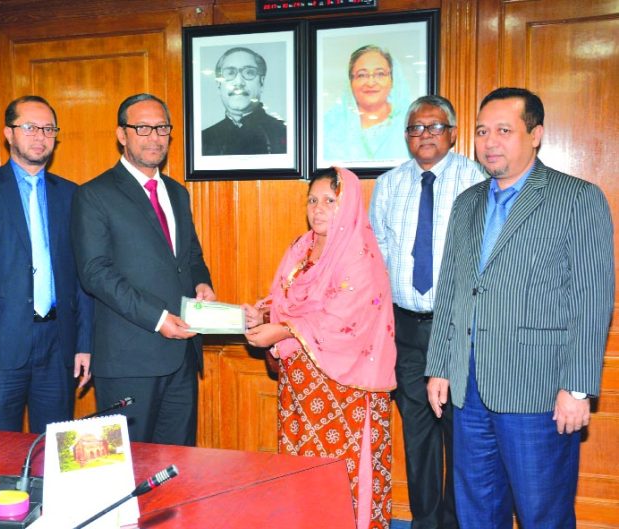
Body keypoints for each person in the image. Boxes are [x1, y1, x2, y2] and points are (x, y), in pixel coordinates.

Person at [425, 87, 613, 528]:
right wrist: (439, 365)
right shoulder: (467, 203)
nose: (490, 142)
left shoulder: (576, 199)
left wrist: (579, 387)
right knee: (477, 511)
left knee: (542, 513)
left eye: (504, 130)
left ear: (536, 134)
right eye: (482, 131)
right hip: (468, 391)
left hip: (538, 391)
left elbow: (591, 301)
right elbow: (451, 289)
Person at [244, 168, 396, 529]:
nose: (319, 208)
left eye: (330, 200)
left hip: (346, 387)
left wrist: (280, 330)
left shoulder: (360, 254)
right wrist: (261, 313)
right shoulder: (301, 247)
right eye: (313, 200)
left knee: (339, 469)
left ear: (350, 204)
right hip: (299, 382)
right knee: (300, 464)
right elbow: (284, 298)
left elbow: (341, 318)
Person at [72, 93, 214, 446]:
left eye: (162, 128)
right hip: (128, 361)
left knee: (178, 466)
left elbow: (190, 255)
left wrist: (202, 283)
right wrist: (158, 318)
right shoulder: (94, 194)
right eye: (143, 128)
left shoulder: (177, 193)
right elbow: (95, 272)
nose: (155, 137)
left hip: (182, 356)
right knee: (128, 470)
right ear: (122, 135)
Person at [369, 95, 485, 529]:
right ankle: (425, 521)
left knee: (461, 434)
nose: (425, 135)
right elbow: (377, 257)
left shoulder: (477, 181)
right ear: (406, 136)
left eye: (435, 127)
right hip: (406, 329)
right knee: (417, 435)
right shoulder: (388, 184)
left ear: (453, 133)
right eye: (416, 128)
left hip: (457, 327)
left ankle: (457, 522)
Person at [0, 96, 93, 433]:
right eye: (29, 127)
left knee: (55, 453)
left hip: (58, 346)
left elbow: (82, 277)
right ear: (8, 133)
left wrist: (84, 344)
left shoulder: (72, 195)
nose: (39, 135)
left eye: (48, 129)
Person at [322, 45, 410, 163]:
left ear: (392, 80)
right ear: (351, 82)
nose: (370, 82)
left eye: (380, 74)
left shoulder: (409, 123)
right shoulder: (330, 126)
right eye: (362, 75)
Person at [202, 47, 287, 156]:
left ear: (261, 82)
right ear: (219, 85)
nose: (239, 82)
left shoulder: (284, 134)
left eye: (249, 72)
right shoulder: (204, 139)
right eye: (230, 73)